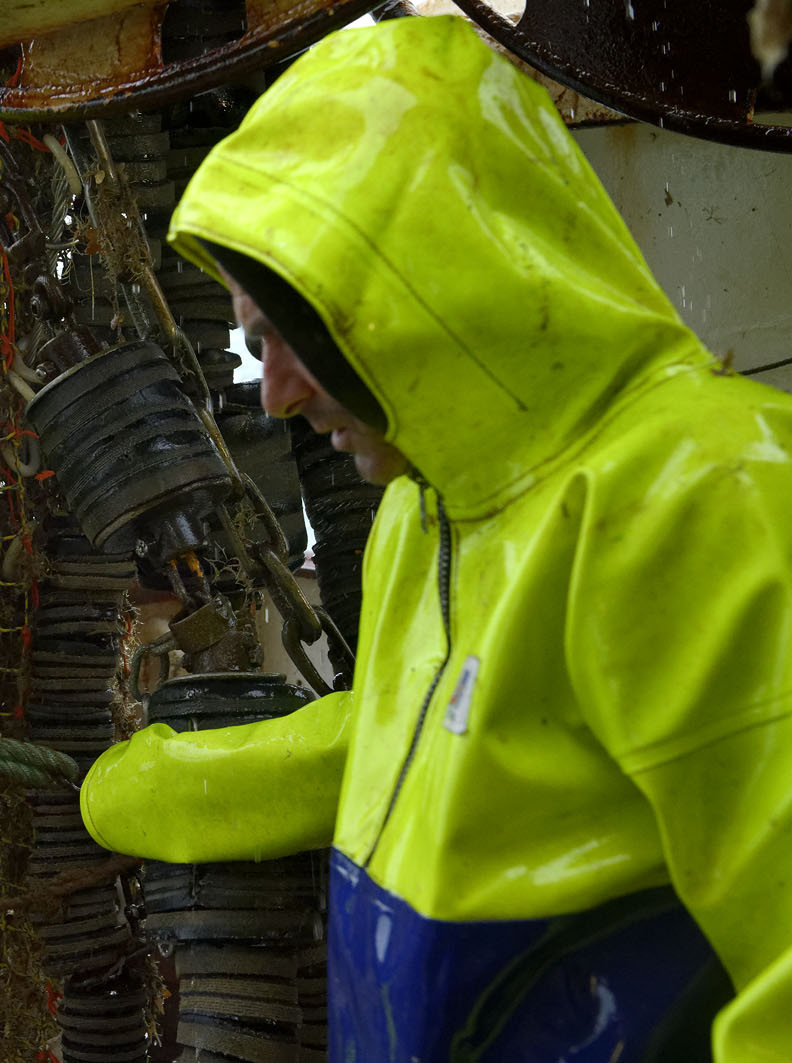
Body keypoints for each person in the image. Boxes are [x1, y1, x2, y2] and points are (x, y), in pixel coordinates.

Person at [80, 15, 791, 1061]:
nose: (272, 398)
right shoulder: (424, 513)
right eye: (250, 345)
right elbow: (414, 739)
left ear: (412, 295)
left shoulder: (703, 490)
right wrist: (181, 787)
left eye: (286, 339)